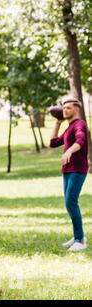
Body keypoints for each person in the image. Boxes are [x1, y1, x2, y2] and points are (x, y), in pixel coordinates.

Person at [50, 97, 88, 252]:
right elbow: (53, 143)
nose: (65, 110)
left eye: (68, 108)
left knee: (71, 202)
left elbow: (81, 140)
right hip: (67, 169)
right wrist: (58, 122)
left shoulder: (80, 124)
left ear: (77, 110)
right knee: (69, 203)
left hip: (78, 169)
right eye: (63, 108)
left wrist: (69, 151)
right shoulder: (69, 126)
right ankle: (78, 235)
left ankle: (80, 240)